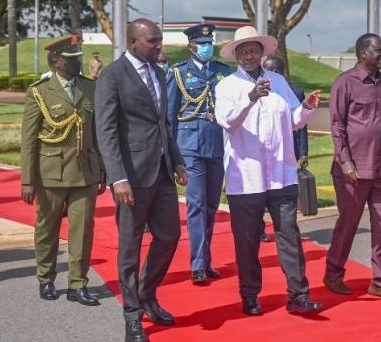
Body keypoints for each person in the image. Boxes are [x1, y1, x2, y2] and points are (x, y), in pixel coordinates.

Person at [215, 26, 323, 316]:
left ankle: (298, 296)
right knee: (248, 241)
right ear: (236, 55)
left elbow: (293, 121)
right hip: (245, 177)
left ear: (262, 53)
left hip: (281, 175)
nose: (249, 55)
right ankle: (250, 295)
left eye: (254, 50)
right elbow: (226, 122)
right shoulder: (226, 86)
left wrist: (307, 108)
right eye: (243, 51)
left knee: (289, 235)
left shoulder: (277, 81)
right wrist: (249, 98)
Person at [95, 18, 187, 342]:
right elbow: (105, 132)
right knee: (130, 248)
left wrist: (176, 160)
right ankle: (132, 316)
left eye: (159, 40)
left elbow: (163, 123)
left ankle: (147, 293)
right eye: (153, 41)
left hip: (161, 172)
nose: (159, 46)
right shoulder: (111, 77)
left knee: (169, 236)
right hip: (131, 177)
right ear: (134, 41)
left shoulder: (159, 73)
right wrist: (117, 178)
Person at [20, 35, 106, 306]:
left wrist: (102, 171)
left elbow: (99, 134)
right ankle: (46, 278)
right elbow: (28, 140)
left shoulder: (90, 88)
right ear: (56, 61)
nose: (78, 61)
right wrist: (27, 180)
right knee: (47, 229)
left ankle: (77, 284)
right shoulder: (40, 91)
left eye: (78, 56)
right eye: (71, 58)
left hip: (86, 172)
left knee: (82, 231)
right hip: (51, 173)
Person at [323, 33, 381, 300]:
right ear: (362, 53)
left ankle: (380, 281)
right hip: (353, 170)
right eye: (377, 51)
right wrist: (345, 161)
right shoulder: (345, 83)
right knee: (348, 225)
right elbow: (337, 126)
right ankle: (333, 274)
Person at [165, 23, 231, 285]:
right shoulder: (178, 73)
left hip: (217, 143)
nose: (207, 46)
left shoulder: (222, 71)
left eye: (209, 42)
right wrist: (172, 156)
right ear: (190, 45)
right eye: (202, 43)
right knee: (196, 204)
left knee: (212, 206)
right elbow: (170, 117)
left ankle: (206, 258)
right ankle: (198, 264)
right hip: (189, 145)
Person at [261, 55, 308, 243]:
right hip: (264, 152)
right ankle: (260, 228)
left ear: (281, 72)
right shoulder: (253, 89)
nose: (269, 74)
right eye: (266, 69)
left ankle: (288, 229)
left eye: (274, 70)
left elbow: (301, 124)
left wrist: (303, 152)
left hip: (289, 148)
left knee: (286, 194)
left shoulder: (294, 90)